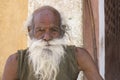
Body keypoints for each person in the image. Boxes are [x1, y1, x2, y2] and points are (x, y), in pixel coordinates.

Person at [2, 6, 103, 80]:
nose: (47, 37)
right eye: (40, 30)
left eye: (53, 30)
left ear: (62, 31)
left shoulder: (78, 56)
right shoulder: (15, 62)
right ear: (30, 31)